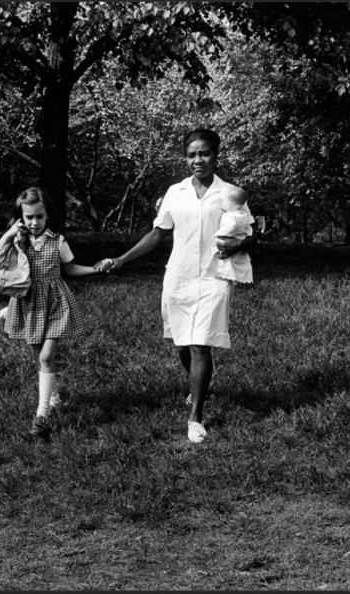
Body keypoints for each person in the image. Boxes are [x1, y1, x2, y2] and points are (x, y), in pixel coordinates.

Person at [96, 128, 257, 443]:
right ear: (186, 158)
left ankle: (195, 417)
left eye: (205, 153)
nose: (199, 160)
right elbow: (157, 233)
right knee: (183, 343)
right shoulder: (175, 192)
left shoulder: (230, 193)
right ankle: (198, 384)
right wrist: (122, 259)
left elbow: (250, 231)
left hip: (215, 276)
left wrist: (237, 246)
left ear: (216, 155)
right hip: (179, 275)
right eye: (192, 154)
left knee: (200, 343)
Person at [3, 187, 103, 439]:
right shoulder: (16, 243)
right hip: (28, 304)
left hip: (55, 304)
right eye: (29, 218)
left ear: (48, 216)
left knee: (47, 356)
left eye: (39, 216)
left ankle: (42, 415)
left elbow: (69, 269)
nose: (34, 222)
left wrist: (95, 269)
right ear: (21, 219)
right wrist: (12, 237)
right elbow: (3, 268)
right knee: (40, 358)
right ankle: (54, 396)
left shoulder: (57, 240)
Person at [212, 186, 254, 284]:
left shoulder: (230, 217)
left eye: (224, 202)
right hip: (240, 242)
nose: (222, 203)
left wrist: (216, 238)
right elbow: (250, 229)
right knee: (236, 264)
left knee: (226, 264)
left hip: (228, 242)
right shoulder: (244, 215)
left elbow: (226, 230)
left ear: (229, 205)